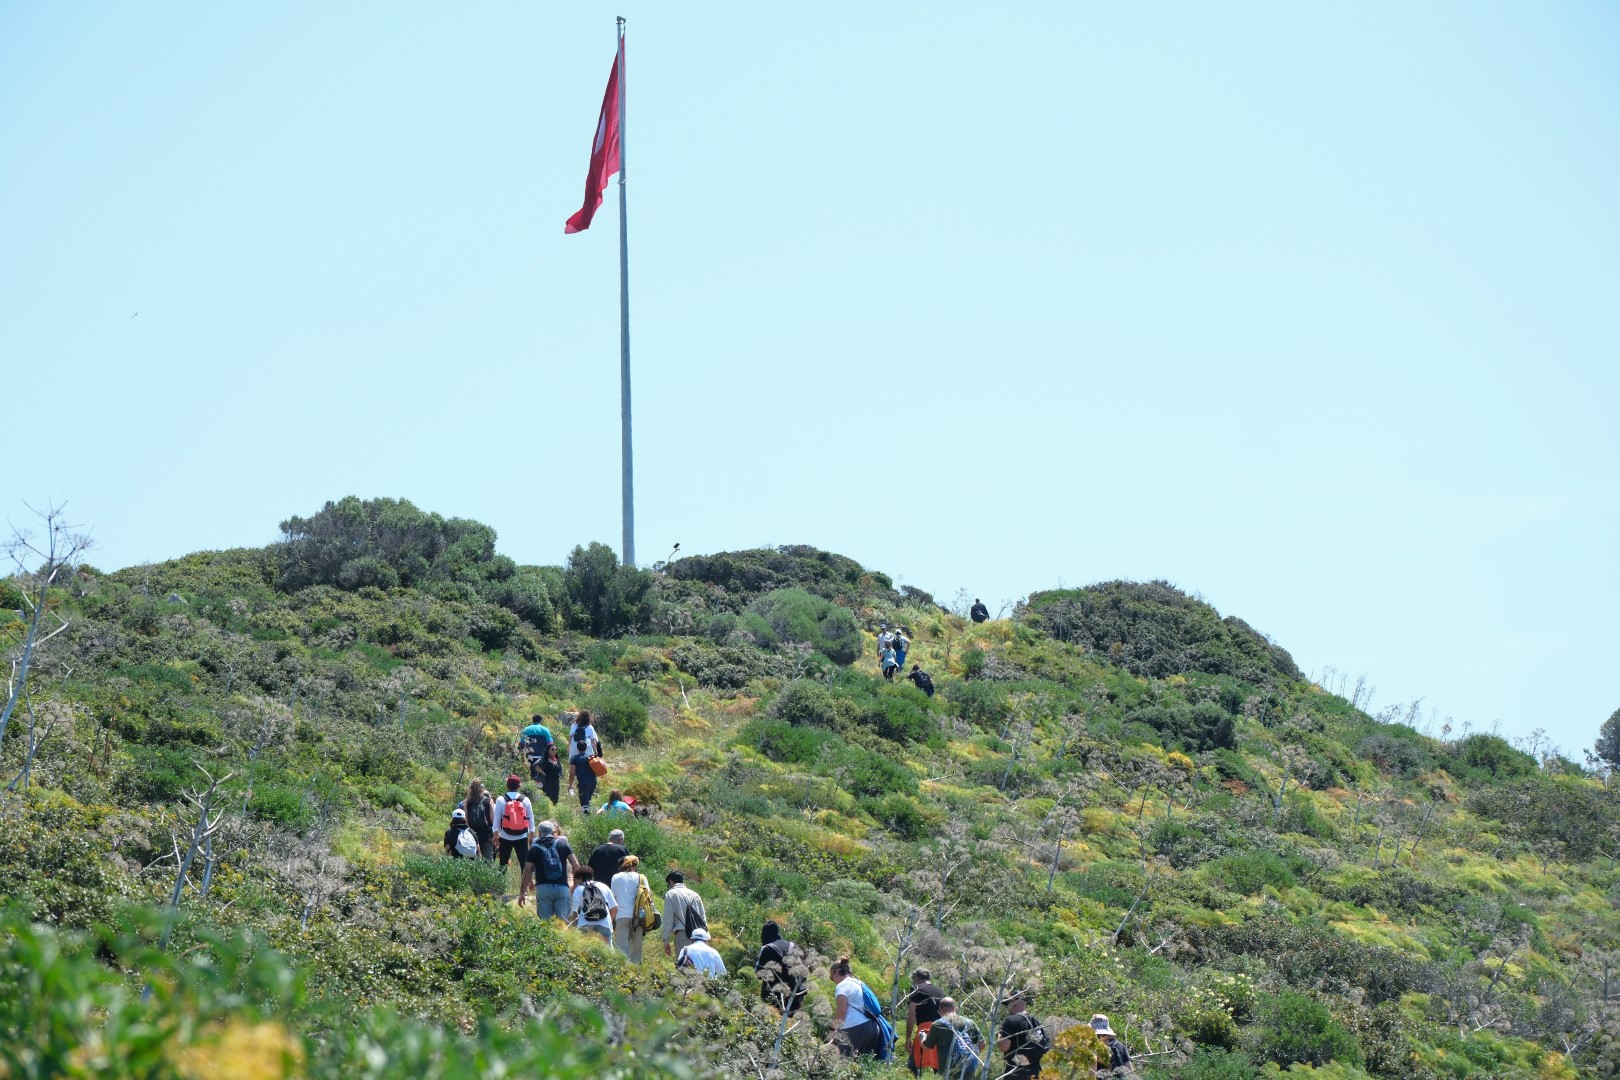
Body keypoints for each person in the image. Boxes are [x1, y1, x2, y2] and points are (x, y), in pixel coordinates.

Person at [828, 957, 888, 1059]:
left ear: (835, 972)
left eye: (831, 977)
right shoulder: (858, 983)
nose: (833, 981)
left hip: (854, 1028)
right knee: (861, 1063)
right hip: (872, 1028)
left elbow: (841, 1010)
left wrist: (833, 1030)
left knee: (839, 1062)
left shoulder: (842, 986)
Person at [519, 820, 574, 919]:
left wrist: (522, 893)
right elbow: (576, 865)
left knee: (545, 924)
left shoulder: (534, 848)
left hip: (543, 888)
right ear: (553, 831)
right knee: (562, 924)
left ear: (539, 833)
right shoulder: (563, 844)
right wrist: (575, 885)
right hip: (562, 887)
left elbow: (527, 871)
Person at [920, 998, 985, 1078]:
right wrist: (971, 1057)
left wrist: (922, 1037)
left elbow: (926, 1047)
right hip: (968, 1068)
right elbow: (982, 1043)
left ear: (940, 1009)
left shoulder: (938, 1024)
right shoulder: (970, 1022)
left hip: (948, 1071)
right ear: (956, 1008)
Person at [755, 921, 808, 1015]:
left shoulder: (766, 949)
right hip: (794, 998)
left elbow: (758, 974)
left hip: (772, 998)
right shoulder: (793, 946)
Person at [996, 991, 1048, 1080]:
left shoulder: (1011, 1020)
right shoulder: (1034, 1021)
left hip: (1016, 1071)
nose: (1007, 1007)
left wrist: (999, 1032)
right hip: (1036, 1070)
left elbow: (1003, 1047)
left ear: (1014, 1001)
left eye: (1007, 1003)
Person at [905, 968, 946, 1074]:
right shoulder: (940, 992)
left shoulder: (915, 989)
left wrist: (908, 1037)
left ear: (916, 978)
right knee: (938, 1067)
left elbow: (912, 1013)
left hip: (924, 1030)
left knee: (913, 1065)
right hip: (941, 1030)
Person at [610, 854, 649, 962]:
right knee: (636, 948)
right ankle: (635, 971)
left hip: (621, 915)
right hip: (638, 916)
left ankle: (624, 971)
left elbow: (614, 897)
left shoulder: (615, 877)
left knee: (622, 947)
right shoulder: (641, 877)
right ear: (636, 865)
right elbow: (648, 896)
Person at [492, 775, 535, 872]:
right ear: (519, 786)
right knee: (524, 864)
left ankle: (500, 885)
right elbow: (531, 818)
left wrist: (495, 833)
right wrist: (531, 834)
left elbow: (497, 818)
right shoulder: (525, 799)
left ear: (507, 786)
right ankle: (525, 886)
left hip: (505, 836)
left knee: (503, 864)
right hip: (522, 836)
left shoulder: (501, 799)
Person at [662, 870, 707, 958]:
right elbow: (703, 918)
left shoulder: (671, 894)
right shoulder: (695, 894)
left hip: (683, 935)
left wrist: (666, 940)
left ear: (671, 882)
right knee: (699, 967)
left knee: (684, 967)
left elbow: (668, 919)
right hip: (700, 937)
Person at [565, 710, 603, 811]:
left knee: (575, 766)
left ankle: (578, 783)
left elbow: (570, 736)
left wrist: (569, 746)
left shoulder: (574, 725)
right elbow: (594, 740)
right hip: (587, 751)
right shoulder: (590, 727)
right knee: (587, 767)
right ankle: (588, 789)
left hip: (574, 749)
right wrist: (596, 752)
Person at [569, 866, 617, 941]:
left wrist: (574, 928)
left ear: (580, 878)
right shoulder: (604, 886)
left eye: (577, 880)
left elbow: (575, 912)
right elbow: (614, 908)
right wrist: (609, 923)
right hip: (604, 923)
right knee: (607, 951)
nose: (577, 882)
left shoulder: (579, 889)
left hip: (585, 923)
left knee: (585, 951)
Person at [458, 779, 496, 859]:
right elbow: (493, 820)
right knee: (487, 860)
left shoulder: (466, 802)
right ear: (482, 789)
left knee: (471, 858)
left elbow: (465, 820)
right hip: (486, 835)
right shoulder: (489, 801)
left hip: (472, 834)